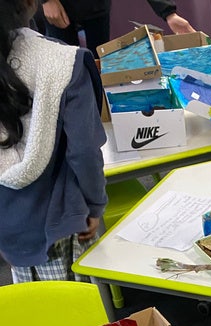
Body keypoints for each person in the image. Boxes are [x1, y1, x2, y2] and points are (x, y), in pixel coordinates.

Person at [0, 0, 107, 283]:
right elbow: (84, 152)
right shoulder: (64, 62)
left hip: (8, 222)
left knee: (35, 313)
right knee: (81, 319)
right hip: (61, 219)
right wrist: (95, 205)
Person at [39, 1, 195, 58]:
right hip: (56, 9)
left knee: (100, 64)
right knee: (64, 70)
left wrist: (169, 13)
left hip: (96, 8)